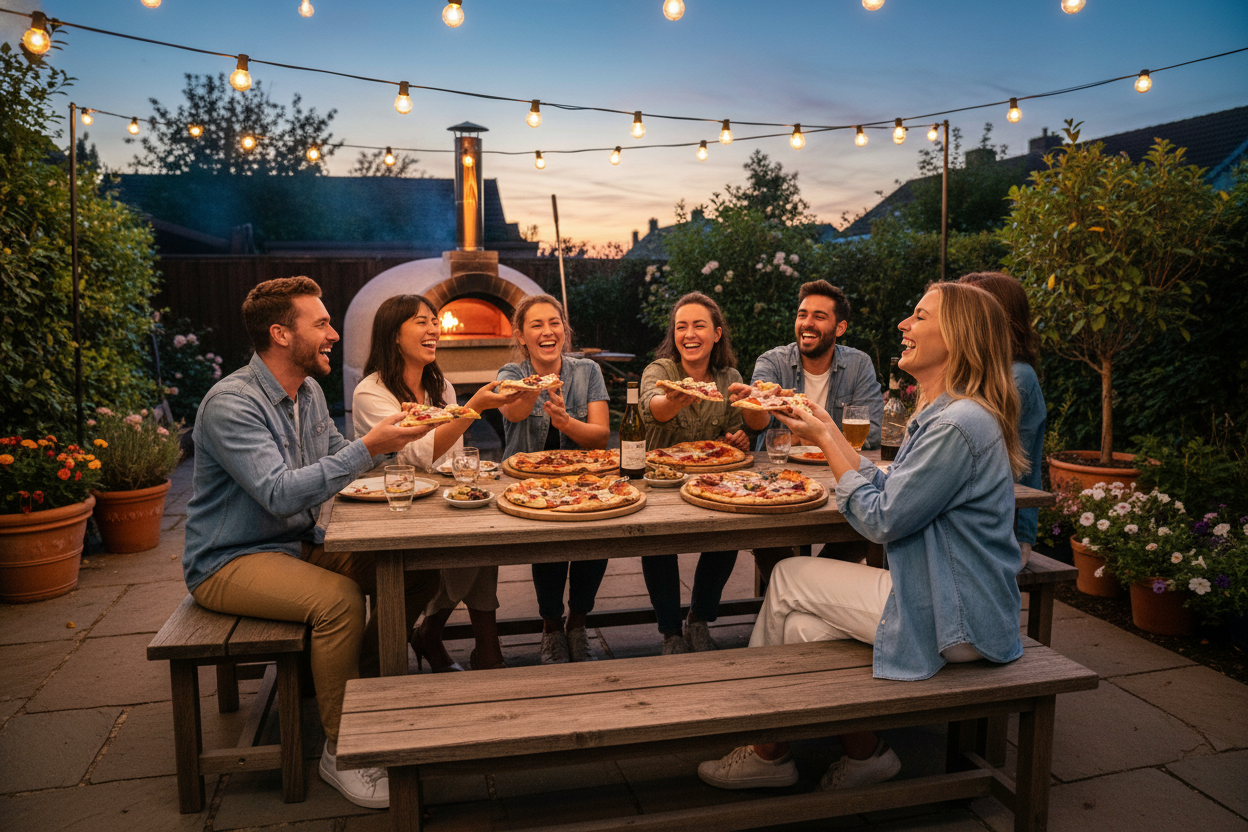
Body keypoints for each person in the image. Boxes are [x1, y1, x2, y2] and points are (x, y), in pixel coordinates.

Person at [698, 281, 1027, 793]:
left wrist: (824, 439)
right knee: (801, 629)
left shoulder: (957, 424)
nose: (903, 324)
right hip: (946, 596)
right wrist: (825, 429)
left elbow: (881, 519)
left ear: (957, 337)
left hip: (958, 615)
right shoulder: (949, 413)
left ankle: (766, 749)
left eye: (919, 316)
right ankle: (866, 754)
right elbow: (892, 487)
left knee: (786, 576)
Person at [183, 277, 440, 810]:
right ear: (281, 334)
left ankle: (361, 690)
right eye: (321, 324)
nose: (333, 334)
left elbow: (340, 456)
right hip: (231, 557)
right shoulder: (232, 404)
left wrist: (394, 442)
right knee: (339, 601)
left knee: (416, 568)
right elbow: (279, 494)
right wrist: (367, 448)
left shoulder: (309, 392)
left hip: (297, 541)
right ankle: (343, 749)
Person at [353, 293, 519, 672]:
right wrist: (473, 408)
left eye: (434, 321)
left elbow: (450, 459)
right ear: (394, 335)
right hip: (394, 508)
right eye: (421, 322)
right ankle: (470, 646)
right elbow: (418, 455)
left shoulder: (440, 386)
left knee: (484, 530)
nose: (433, 329)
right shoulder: (371, 392)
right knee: (474, 542)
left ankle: (451, 638)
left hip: (439, 499)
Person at [735, 280, 883, 587]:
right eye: (802, 314)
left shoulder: (859, 364)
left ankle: (803, 591)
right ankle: (797, 593)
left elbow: (872, 433)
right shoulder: (772, 361)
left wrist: (806, 436)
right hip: (777, 480)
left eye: (819, 316)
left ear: (840, 328)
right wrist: (755, 401)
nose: (807, 323)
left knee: (864, 526)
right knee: (763, 529)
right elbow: (758, 426)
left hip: (838, 475)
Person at [497, 294, 611, 664]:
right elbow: (514, 413)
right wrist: (535, 386)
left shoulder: (587, 371)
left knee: (597, 537)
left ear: (564, 329)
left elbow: (600, 436)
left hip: (585, 483)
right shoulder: (510, 374)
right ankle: (550, 627)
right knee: (548, 543)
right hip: (528, 485)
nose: (548, 331)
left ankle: (577, 624)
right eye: (537, 325)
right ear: (521, 336)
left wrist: (566, 423)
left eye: (554, 323)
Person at [639, 291, 752, 654]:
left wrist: (737, 440)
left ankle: (699, 619)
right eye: (681, 326)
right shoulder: (660, 372)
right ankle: (671, 633)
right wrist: (672, 401)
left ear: (717, 334)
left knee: (730, 530)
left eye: (699, 326)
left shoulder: (729, 377)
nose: (689, 334)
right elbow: (652, 408)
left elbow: (735, 434)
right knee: (657, 539)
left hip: (711, 479)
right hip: (662, 481)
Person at [959, 272, 1046, 569]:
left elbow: (977, 461)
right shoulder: (981, 372)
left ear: (999, 316)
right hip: (972, 517)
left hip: (1001, 532)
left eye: (968, 306)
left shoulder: (1016, 378)